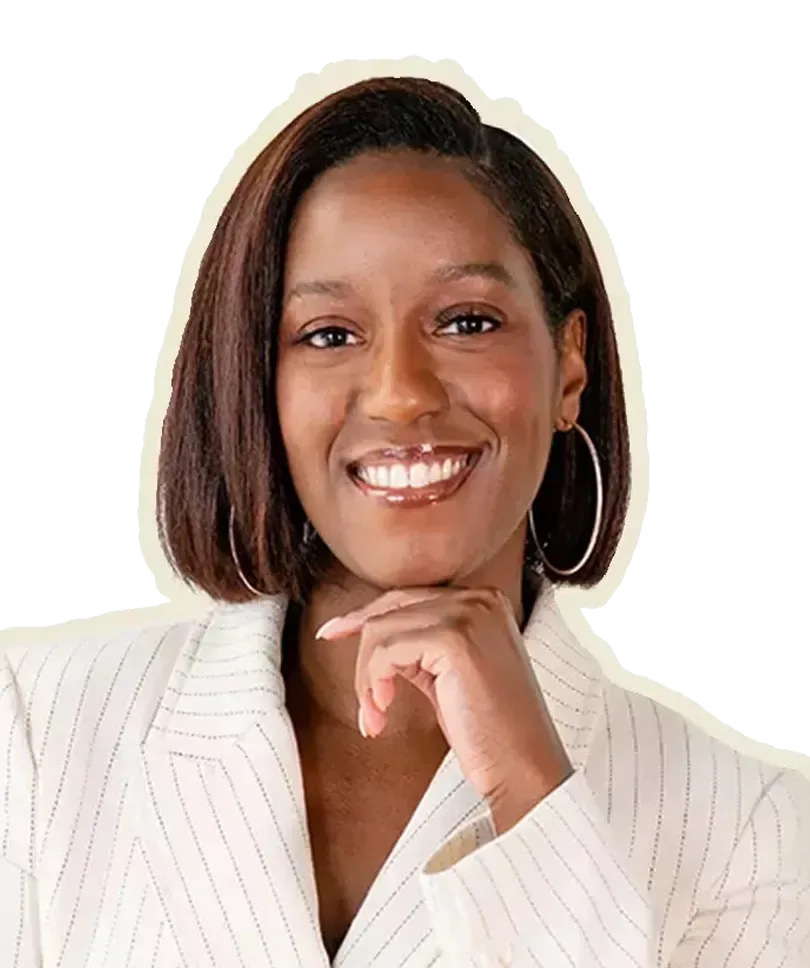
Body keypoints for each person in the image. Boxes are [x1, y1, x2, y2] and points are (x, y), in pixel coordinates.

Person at [1, 75, 807, 968]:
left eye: (466, 322)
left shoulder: (750, 829)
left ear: (570, 367)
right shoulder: (32, 730)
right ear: (258, 383)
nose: (399, 394)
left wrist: (530, 792)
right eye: (328, 335)